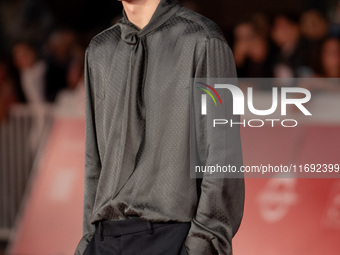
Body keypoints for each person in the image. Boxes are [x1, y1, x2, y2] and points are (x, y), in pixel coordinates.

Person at [74, 0, 245, 254]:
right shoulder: (99, 50)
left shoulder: (202, 40)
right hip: (105, 237)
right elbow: (94, 159)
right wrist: (89, 237)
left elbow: (222, 156)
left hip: (173, 235)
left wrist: (203, 243)